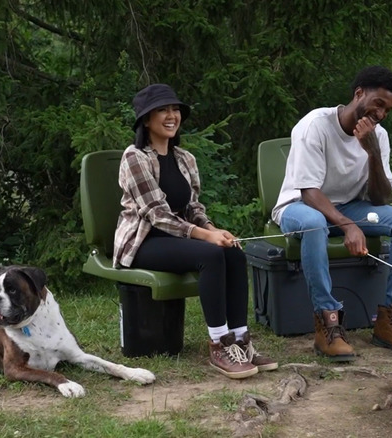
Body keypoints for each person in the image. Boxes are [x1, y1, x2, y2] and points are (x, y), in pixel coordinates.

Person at [113, 83, 276, 379]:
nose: (171, 115)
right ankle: (219, 343)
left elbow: (193, 209)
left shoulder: (185, 159)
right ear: (146, 120)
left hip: (178, 238)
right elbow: (157, 215)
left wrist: (215, 230)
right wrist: (205, 237)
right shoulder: (134, 157)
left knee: (233, 252)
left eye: (175, 109)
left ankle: (240, 340)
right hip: (145, 241)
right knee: (211, 255)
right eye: (162, 110)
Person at [272, 66, 392, 362]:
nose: (381, 114)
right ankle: (327, 323)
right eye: (378, 103)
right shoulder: (315, 124)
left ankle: (391, 320)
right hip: (299, 207)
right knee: (315, 222)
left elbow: (381, 198)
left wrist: (372, 152)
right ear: (359, 94)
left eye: (387, 110)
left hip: (350, 207)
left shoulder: (378, 136)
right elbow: (308, 191)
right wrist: (348, 225)